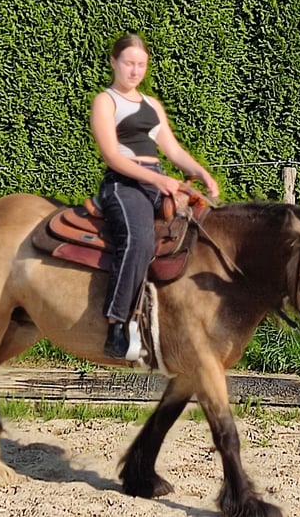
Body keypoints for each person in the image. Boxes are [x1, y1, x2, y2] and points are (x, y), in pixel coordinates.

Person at [90, 33, 220, 359]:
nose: (135, 71)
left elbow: (172, 149)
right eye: (129, 63)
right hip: (124, 183)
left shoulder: (151, 105)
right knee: (139, 241)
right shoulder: (105, 101)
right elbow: (112, 156)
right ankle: (116, 322)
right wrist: (155, 179)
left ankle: (175, 319)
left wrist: (201, 173)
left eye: (141, 65)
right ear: (114, 63)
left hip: (158, 180)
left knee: (203, 232)